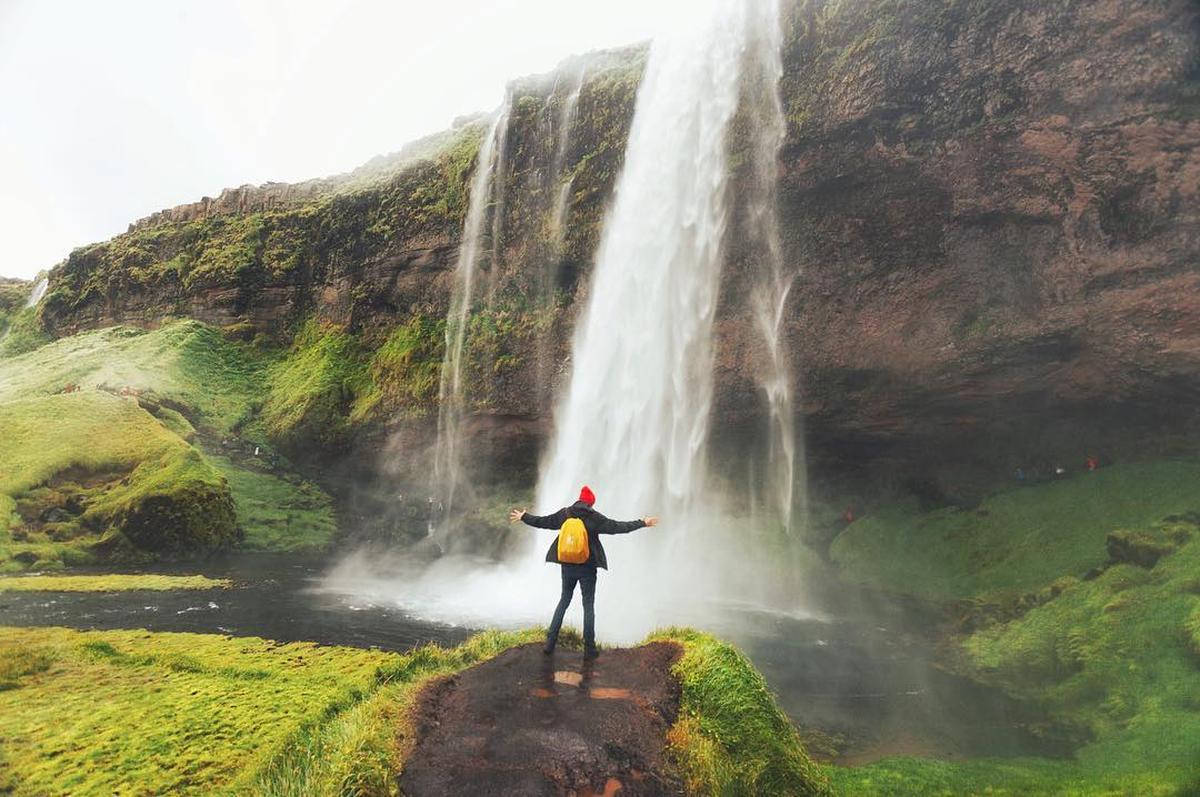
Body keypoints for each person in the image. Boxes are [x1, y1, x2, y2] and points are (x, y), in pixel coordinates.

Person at [509, 485, 658, 658]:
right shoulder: (594, 518)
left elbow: (544, 522)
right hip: (587, 568)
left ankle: (550, 643)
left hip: (567, 565)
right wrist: (642, 523)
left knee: (564, 600)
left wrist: (524, 517)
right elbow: (617, 527)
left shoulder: (565, 514)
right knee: (588, 605)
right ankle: (589, 648)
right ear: (591, 504)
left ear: (579, 499)